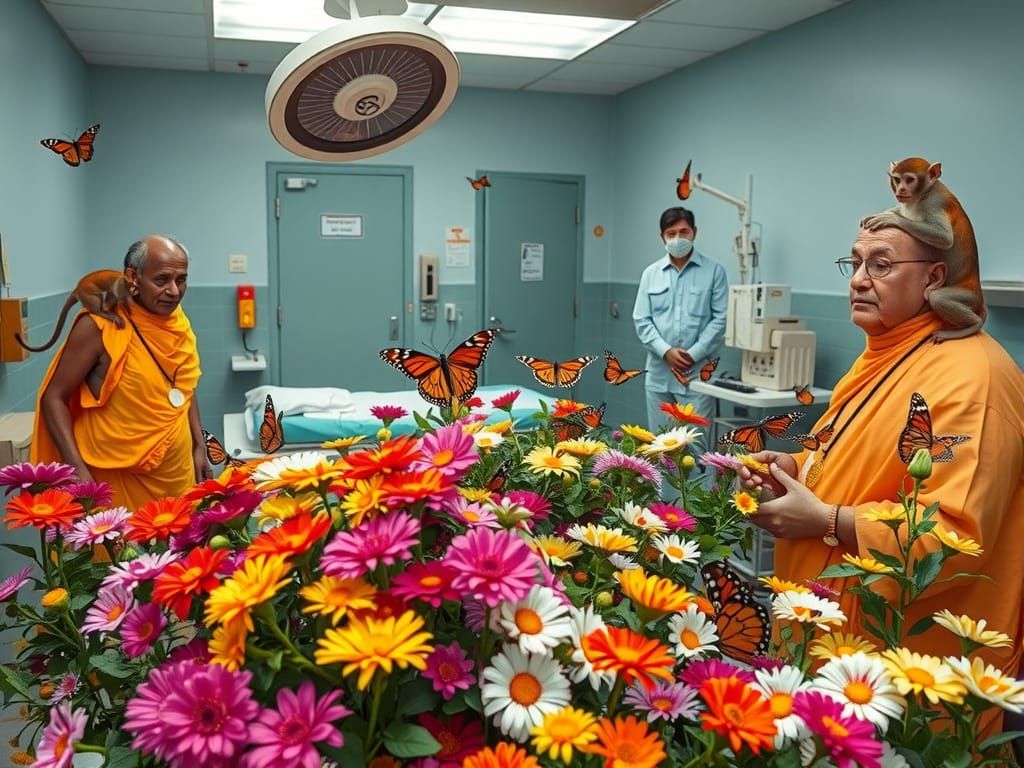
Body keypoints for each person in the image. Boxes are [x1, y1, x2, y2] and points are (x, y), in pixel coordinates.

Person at [739, 223, 1024, 681]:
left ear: (933, 279)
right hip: (826, 630)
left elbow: (949, 540)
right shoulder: (889, 351)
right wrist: (795, 469)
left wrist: (828, 519)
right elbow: (855, 453)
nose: (857, 279)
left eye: (881, 265)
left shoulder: (973, 380)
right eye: (854, 263)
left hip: (901, 668)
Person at [31, 235, 213, 509]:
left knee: (179, 549)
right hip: (114, 485)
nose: (174, 291)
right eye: (162, 280)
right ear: (133, 277)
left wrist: (199, 445)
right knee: (123, 553)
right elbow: (53, 397)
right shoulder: (98, 327)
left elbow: (183, 388)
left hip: (178, 476)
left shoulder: (178, 322)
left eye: (182, 279)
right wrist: (76, 470)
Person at [633, 206, 728, 432]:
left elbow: (721, 319)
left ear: (694, 232)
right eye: (671, 233)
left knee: (695, 446)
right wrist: (666, 351)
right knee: (660, 444)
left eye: (683, 232)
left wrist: (692, 354)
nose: (678, 238)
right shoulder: (651, 273)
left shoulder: (714, 271)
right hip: (659, 375)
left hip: (696, 376)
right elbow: (642, 319)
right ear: (662, 237)